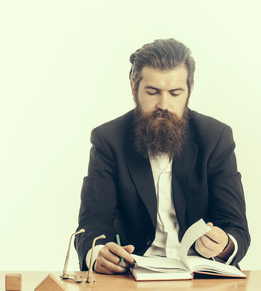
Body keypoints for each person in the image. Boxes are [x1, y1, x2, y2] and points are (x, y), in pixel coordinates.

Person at [75, 38, 250, 274]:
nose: (163, 104)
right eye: (152, 92)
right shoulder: (108, 139)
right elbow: (93, 222)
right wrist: (97, 254)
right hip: (130, 276)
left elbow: (235, 226)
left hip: (201, 277)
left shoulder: (216, 137)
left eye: (175, 93)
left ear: (190, 90)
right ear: (133, 88)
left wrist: (225, 244)